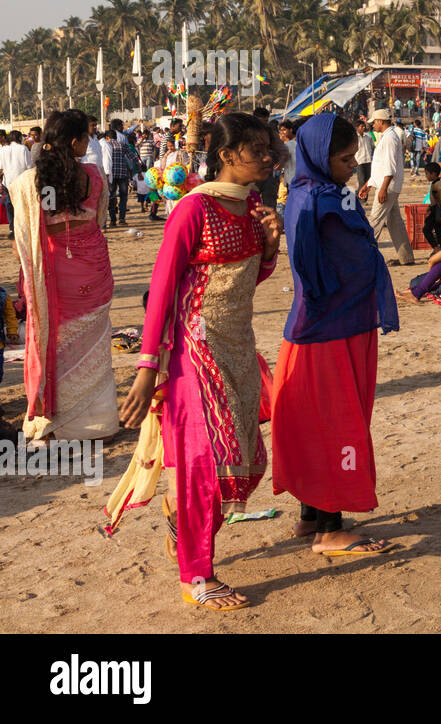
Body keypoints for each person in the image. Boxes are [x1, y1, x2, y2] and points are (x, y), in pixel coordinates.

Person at [118, 113, 283, 611]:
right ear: (228, 156)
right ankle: (197, 576)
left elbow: (246, 281)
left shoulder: (253, 205)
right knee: (203, 465)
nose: (269, 158)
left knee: (248, 463)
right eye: (258, 150)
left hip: (238, 343)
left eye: (269, 148)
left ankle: (181, 523)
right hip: (194, 347)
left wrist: (271, 247)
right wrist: (149, 368)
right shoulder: (193, 210)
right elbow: (164, 288)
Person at [271, 112, 399, 556]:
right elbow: (307, 265)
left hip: (348, 323)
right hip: (326, 328)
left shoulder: (330, 194)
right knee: (334, 425)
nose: (351, 166)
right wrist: (328, 300)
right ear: (318, 155)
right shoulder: (308, 200)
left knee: (325, 420)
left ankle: (311, 516)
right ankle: (330, 528)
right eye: (345, 159)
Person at [12, 110, 118, 443]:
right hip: (92, 264)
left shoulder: (35, 182)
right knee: (95, 344)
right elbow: (98, 216)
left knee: (56, 343)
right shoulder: (92, 175)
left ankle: (59, 422)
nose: (89, 142)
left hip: (56, 270)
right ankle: (97, 422)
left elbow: (37, 227)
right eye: (86, 137)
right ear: (74, 142)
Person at [359, 108, 415, 266]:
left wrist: (382, 189)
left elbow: (390, 167)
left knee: (375, 221)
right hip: (385, 185)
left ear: (380, 122)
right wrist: (368, 185)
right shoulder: (387, 137)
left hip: (387, 187)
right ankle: (406, 257)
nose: (372, 126)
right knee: (395, 222)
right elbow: (381, 166)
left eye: (374, 123)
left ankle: (364, 257)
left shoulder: (390, 138)